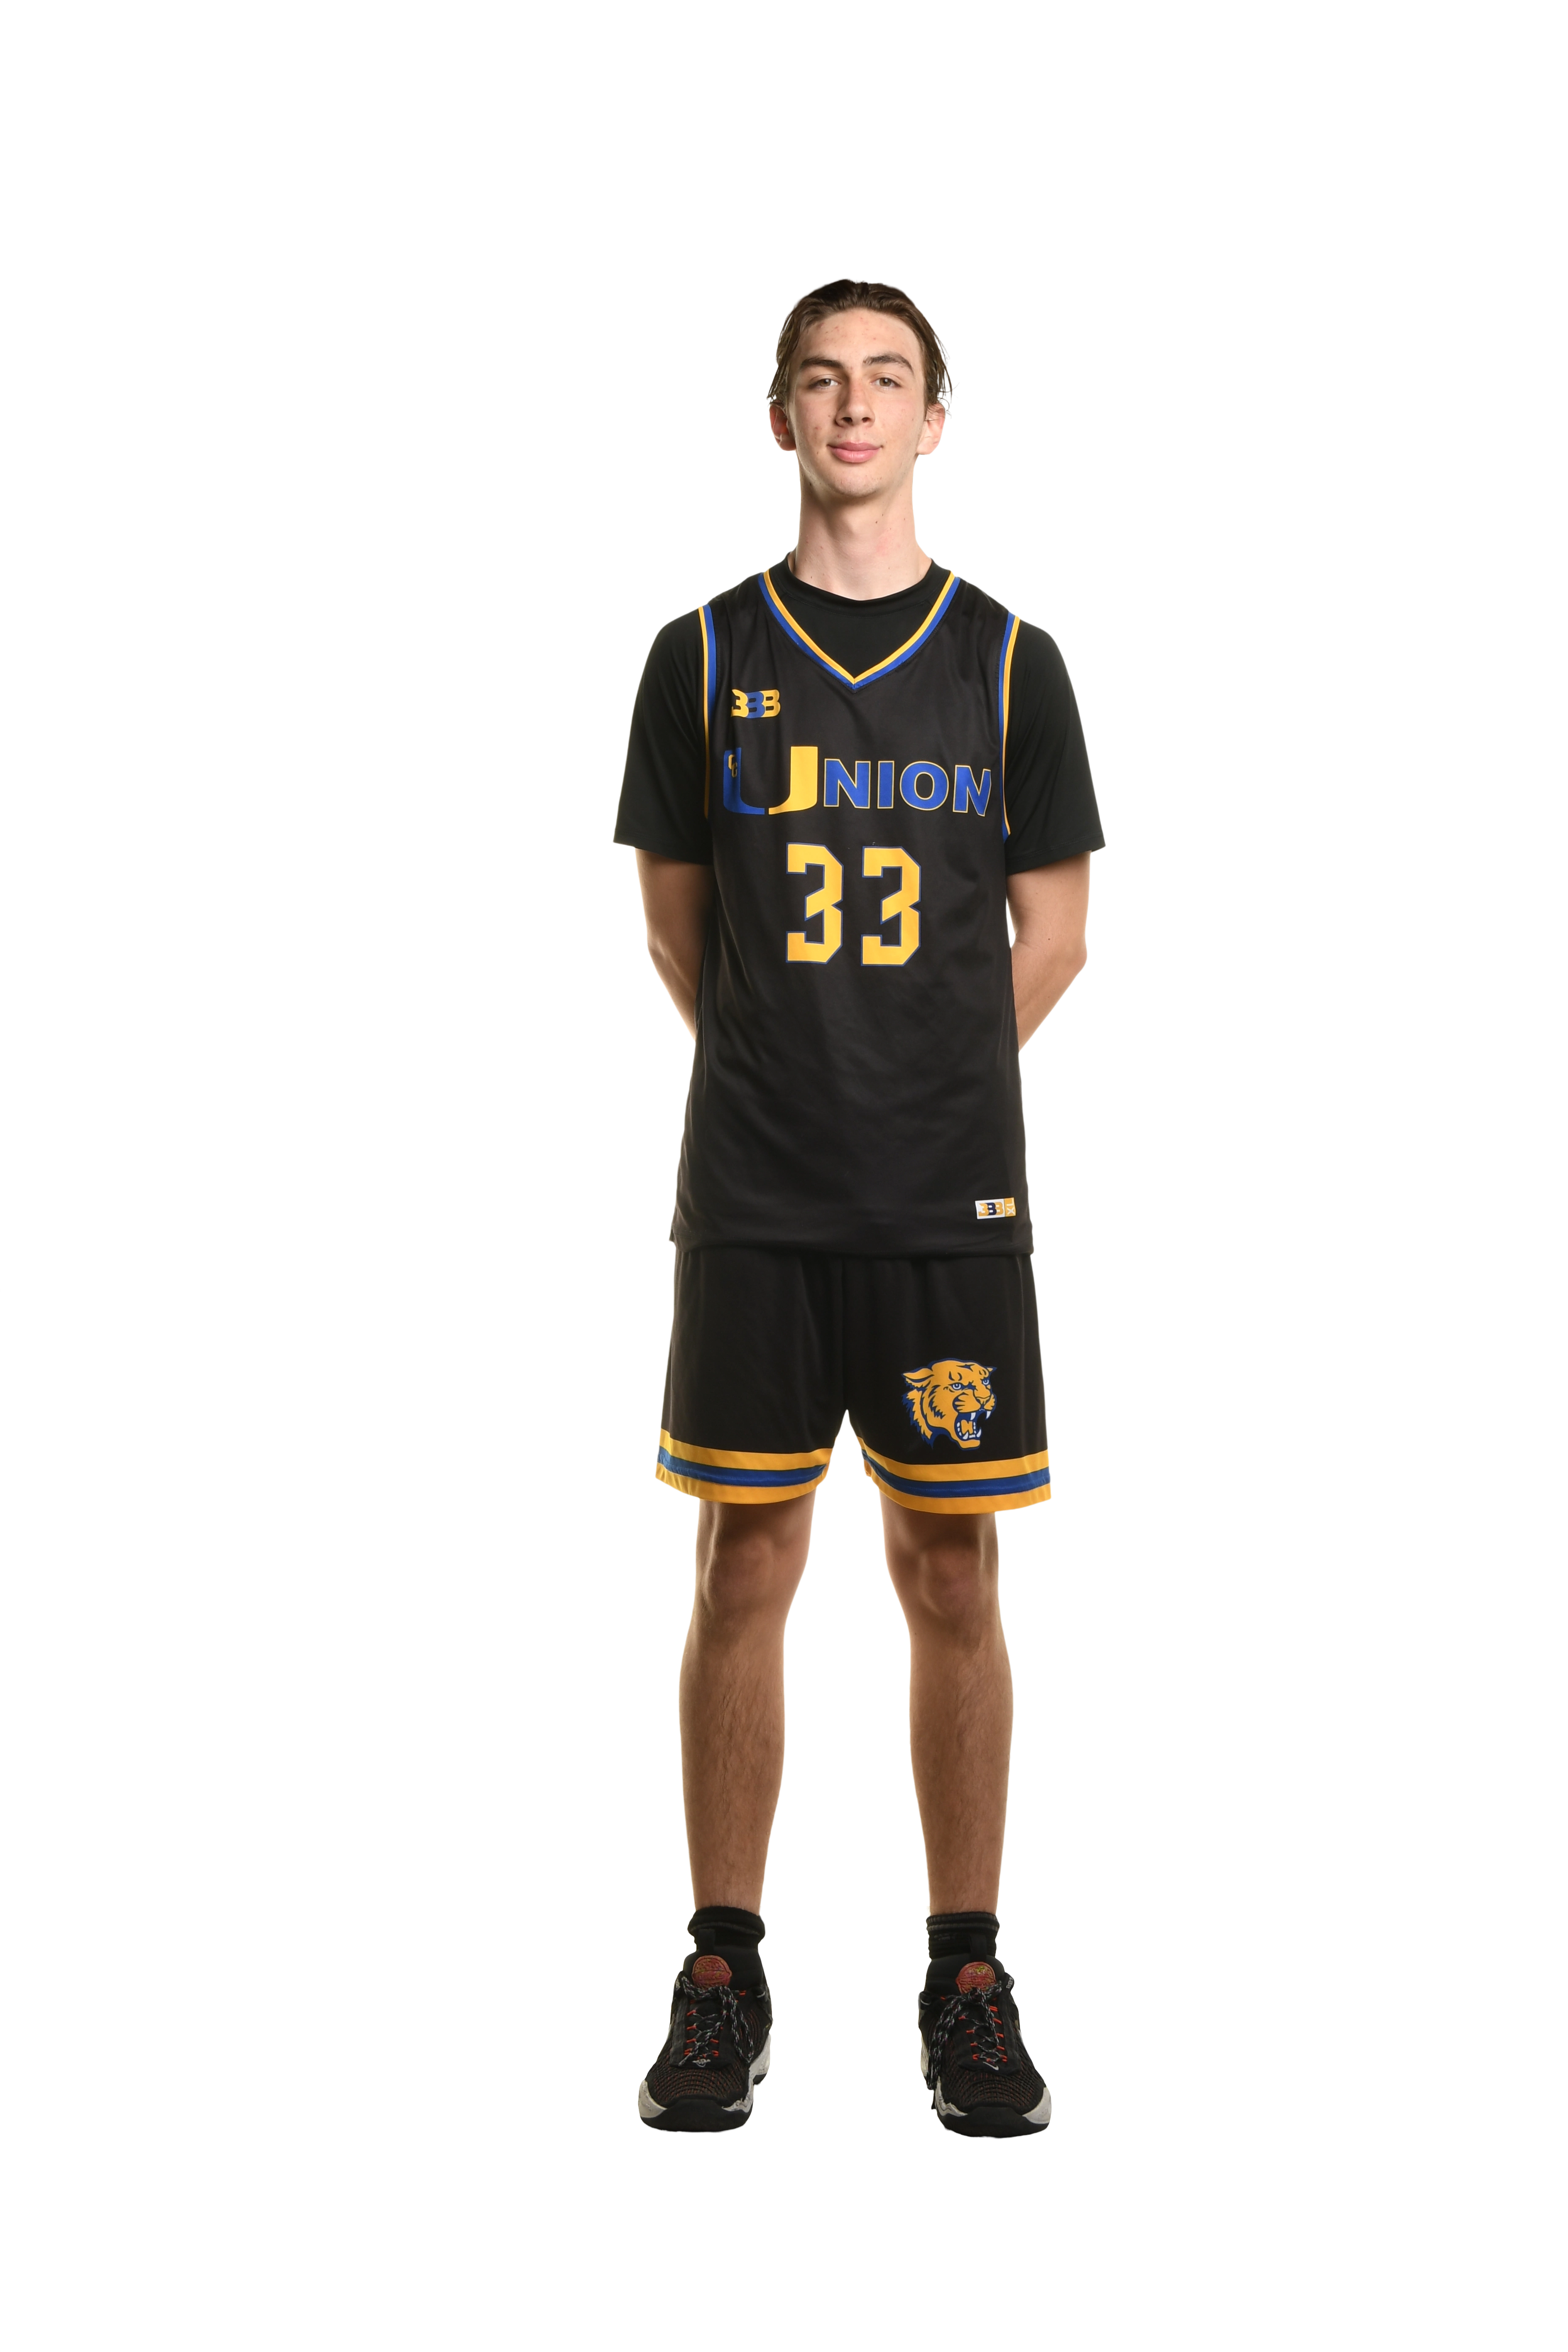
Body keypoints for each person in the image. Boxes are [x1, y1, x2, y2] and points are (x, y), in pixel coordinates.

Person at [615, 277, 1103, 2135]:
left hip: (944, 1204)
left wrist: (913, 1079)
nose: (853, 407)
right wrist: (794, 1069)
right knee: (743, 1558)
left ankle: (964, 1978)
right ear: (780, 417)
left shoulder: (1010, 664)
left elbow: (1056, 934)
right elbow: (680, 927)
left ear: (933, 418)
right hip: (754, 1192)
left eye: (887, 379)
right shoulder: (699, 657)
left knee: (950, 1569)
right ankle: (723, 1973)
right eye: (821, 379)